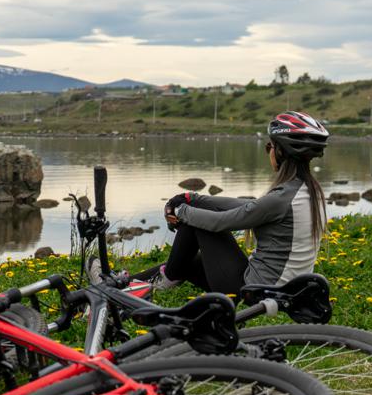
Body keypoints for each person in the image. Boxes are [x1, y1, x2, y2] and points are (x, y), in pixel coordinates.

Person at [138, 111, 330, 296]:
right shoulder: (308, 191)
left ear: (280, 151)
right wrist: (192, 198)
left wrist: (179, 211)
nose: (268, 152)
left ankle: (164, 279)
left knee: (196, 222)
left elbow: (220, 222)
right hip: (282, 288)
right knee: (189, 260)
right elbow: (249, 207)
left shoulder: (282, 198)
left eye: (268, 146)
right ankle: (132, 284)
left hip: (258, 292)